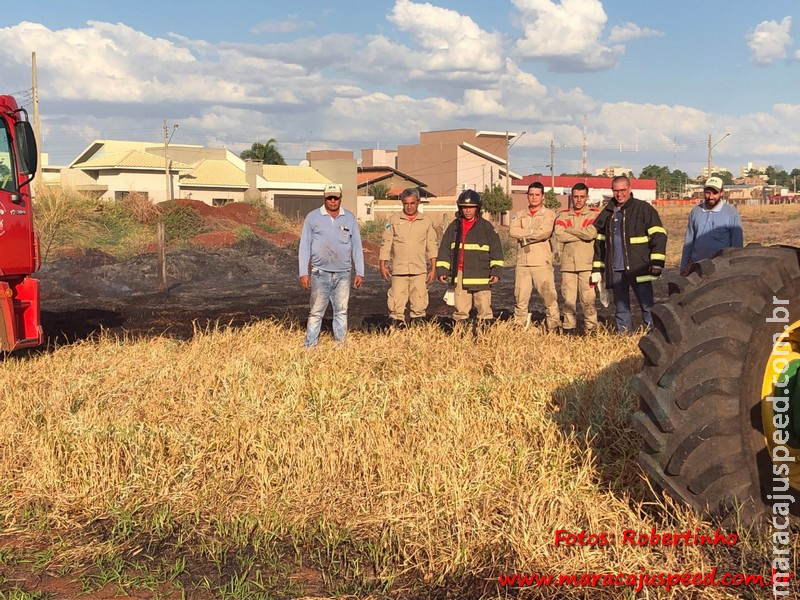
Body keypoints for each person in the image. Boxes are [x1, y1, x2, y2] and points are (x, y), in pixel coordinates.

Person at [592, 175, 667, 333]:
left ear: (630, 189)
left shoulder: (643, 209)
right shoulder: (608, 213)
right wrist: (598, 268)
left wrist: (657, 262)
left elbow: (659, 235)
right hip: (616, 269)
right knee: (621, 307)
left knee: (647, 305)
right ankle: (624, 335)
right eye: (616, 191)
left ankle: (652, 335)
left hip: (639, 267)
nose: (619, 194)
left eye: (623, 190)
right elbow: (600, 242)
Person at [298, 183, 364, 347]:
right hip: (320, 273)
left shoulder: (349, 217)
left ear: (341, 198)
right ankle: (310, 346)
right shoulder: (312, 217)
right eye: (330, 198)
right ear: (324, 198)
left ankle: (340, 345)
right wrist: (303, 272)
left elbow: (356, 244)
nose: (333, 201)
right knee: (316, 312)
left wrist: (360, 271)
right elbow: (305, 245)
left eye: (336, 198)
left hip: (343, 273)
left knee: (341, 311)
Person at [436, 189, 504, 321]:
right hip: (460, 274)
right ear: (460, 208)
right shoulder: (454, 227)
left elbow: (496, 250)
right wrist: (442, 270)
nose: (468, 210)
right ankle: (461, 336)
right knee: (460, 310)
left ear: (477, 208)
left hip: (481, 275)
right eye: (465, 207)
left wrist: (496, 271)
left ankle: (485, 337)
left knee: (484, 309)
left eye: (471, 207)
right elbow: (444, 249)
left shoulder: (486, 227)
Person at [379, 188, 438, 324]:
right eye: (406, 203)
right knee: (396, 304)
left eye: (412, 203)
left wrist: (433, 268)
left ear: (418, 202)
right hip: (399, 270)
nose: (409, 206)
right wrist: (382, 265)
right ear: (402, 203)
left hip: (419, 271)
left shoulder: (426, 221)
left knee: (419, 303)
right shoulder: (393, 220)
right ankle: (397, 332)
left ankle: (417, 332)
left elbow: (432, 246)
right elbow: (386, 243)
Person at [509, 181, 561, 331]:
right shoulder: (519, 214)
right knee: (520, 297)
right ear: (527, 196)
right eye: (531, 194)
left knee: (549, 296)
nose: (534, 198)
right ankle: (519, 325)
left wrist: (525, 235)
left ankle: (554, 325)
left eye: (537, 195)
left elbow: (545, 232)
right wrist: (533, 233)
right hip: (523, 263)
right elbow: (513, 231)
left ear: (543, 196)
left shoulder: (549, 214)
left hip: (541, 262)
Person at [555, 183, 598, 335]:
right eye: (575, 197)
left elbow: (591, 234)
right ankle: (569, 329)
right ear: (571, 197)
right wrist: (581, 233)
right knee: (568, 300)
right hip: (568, 266)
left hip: (586, 265)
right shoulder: (563, 215)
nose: (578, 200)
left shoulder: (593, 216)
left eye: (582, 197)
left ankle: (591, 330)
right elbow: (559, 235)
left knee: (588, 300)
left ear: (587, 197)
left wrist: (570, 229)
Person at [680, 176, 743, 276]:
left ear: (721, 193)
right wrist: (684, 265)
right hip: (696, 267)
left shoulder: (731, 213)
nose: (711, 197)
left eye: (715, 193)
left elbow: (737, 244)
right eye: (708, 192)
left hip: (720, 268)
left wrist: (735, 269)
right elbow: (689, 240)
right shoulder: (695, 212)